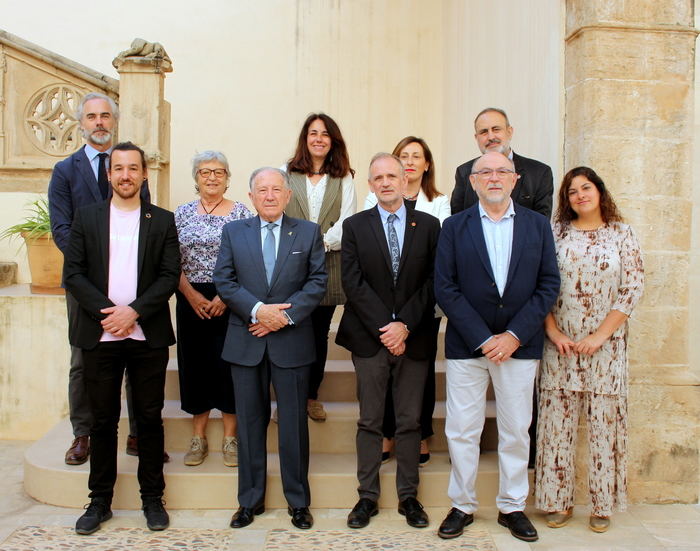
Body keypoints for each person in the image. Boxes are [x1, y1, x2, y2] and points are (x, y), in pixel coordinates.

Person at [435, 151, 559, 542]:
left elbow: (548, 285)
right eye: (484, 172)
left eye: (501, 171)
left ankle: (512, 506)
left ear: (515, 179)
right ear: (472, 182)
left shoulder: (538, 226)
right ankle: (462, 504)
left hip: (519, 345)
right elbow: (445, 287)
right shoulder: (454, 227)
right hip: (468, 345)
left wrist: (514, 335)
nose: (493, 177)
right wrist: (484, 338)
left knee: (516, 428)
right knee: (462, 428)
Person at [63, 142, 180, 535]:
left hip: (147, 335)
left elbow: (168, 275)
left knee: (148, 417)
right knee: (102, 420)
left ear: (144, 174)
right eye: (118, 168)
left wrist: (134, 311)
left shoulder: (162, 220)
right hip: (101, 336)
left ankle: (152, 498)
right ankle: (99, 501)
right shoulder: (87, 217)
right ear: (109, 175)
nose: (126, 175)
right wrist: (109, 314)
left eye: (133, 168)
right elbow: (74, 274)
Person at [213, 167, 326, 530]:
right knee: (249, 424)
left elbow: (317, 282)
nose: (270, 195)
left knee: (293, 424)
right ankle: (249, 500)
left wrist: (283, 318)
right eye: (262, 190)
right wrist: (259, 310)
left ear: (288, 195)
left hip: (291, 342)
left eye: (277, 189)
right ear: (251, 196)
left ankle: (298, 501)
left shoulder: (308, 232)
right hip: (246, 339)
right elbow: (224, 281)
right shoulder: (233, 232)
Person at [535, 167, 644, 533]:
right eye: (572, 191)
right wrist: (552, 332)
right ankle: (556, 500)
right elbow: (541, 285)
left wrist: (600, 336)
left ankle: (601, 504)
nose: (580, 195)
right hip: (560, 345)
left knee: (603, 424)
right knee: (556, 425)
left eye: (586, 188)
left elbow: (632, 288)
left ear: (599, 191)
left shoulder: (621, 233)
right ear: (566, 200)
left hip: (606, 348)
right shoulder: (555, 233)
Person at [337, 153, 440, 530]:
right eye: (377, 177)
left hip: (414, 338)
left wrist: (404, 325)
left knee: (411, 421)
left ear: (405, 179)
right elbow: (353, 282)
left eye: (391, 176)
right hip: (369, 338)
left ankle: (409, 497)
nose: (385, 182)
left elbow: (433, 281)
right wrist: (387, 326)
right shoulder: (355, 226)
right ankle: (367, 497)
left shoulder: (429, 225)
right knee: (370, 420)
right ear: (370, 184)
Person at [48, 92, 151, 465]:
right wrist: (92, 277)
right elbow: (61, 228)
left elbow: (146, 220)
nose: (99, 122)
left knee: (136, 355)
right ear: (81, 123)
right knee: (83, 359)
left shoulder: (131, 168)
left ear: (114, 121)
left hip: (132, 284)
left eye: (106, 115)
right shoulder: (65, 171)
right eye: (92, 116)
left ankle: (138, 433)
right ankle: (83, 434)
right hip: (84, 285)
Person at [365, 136, 449, 465]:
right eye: (405, 155)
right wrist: (388, 322)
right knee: (383, 373)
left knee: (420, 375)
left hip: (421, 308)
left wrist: (407, 321)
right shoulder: (374, 201)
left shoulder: (438, 204)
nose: (411, 161)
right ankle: (387, 432)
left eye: (416, 156)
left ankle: (421, 433)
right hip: (380, 310)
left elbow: (434, 265)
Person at [175, 151, 253, 467]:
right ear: (196, 176)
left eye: (219, 171)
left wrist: (226, 295)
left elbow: (249, 259)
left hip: (230, 298)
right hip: (190, 297)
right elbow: (170, 260)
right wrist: (191, 294)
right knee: (195, 366)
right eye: (205, 171)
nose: (212, 177)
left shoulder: (241, 214)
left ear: (227, 177)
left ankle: (231, 438)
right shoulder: (180, 214)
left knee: (228, 364)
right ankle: (199, 437)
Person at [282, 113, 356, 422]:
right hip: (290, 264)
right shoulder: (286, 172)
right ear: (305, 138)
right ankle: (289, 398)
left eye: (325, 134)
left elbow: (347, 219)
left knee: (317, 333)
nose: (318, 139)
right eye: (313, 133)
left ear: (333, 140)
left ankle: (311, 396)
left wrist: (320, 243)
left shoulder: (344, 177)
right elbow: (279, 212)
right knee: (290, 330)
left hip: (329, 263)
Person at [450, 107, 553, 218]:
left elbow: (540, 226)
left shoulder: (539, 173)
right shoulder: (464, 172)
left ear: (509, 132)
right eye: (484, 132)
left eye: (496, 129)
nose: (491, 137)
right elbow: (457, 222)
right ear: (476, 138)